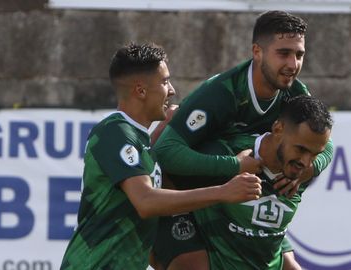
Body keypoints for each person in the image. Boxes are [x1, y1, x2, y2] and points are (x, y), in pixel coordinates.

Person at [152, 11, 334, 269]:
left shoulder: (295, 93)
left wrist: (307, 169)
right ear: (257, 51)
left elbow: (326, 143)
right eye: (283, 53)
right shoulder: (222, 93)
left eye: (299, 55)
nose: (293, 64)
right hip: (184, 189)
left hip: (243, 204)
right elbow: (165, 151)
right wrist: (234, 166)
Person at [59, 43, 263, 270]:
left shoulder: (141, 142)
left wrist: (235, 165)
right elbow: (146, 202)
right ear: (141, 90)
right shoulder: (114, 131)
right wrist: (224, 192)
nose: (172, 90)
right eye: (165, 81)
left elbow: (167, 195)